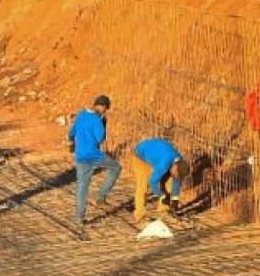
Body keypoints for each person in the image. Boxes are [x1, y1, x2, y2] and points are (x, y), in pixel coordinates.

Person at [67, 95, 121, 227]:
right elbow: (100, 139)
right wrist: (103, 124)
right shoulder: (97, 119)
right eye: (105, 109)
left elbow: (71, 132)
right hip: (94, 155)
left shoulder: (81, 114)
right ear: (102, 106)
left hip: (80, 156)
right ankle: (101, 196)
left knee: (82, 188)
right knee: (116, 168)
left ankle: (79, 218)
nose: (105, 112)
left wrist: (72, 143)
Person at [131, 137, 185, 221]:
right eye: (175, 174)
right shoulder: (164, 164)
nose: (175, 176)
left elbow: (176, 183)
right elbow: (153, 182)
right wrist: (162, 195)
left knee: (169, 182)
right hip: (140, 156)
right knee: (143, 185)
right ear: (175, 166)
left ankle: (164, 208)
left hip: (157, 153)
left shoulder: (179, 162)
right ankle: (139, 214)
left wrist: (175, 202)